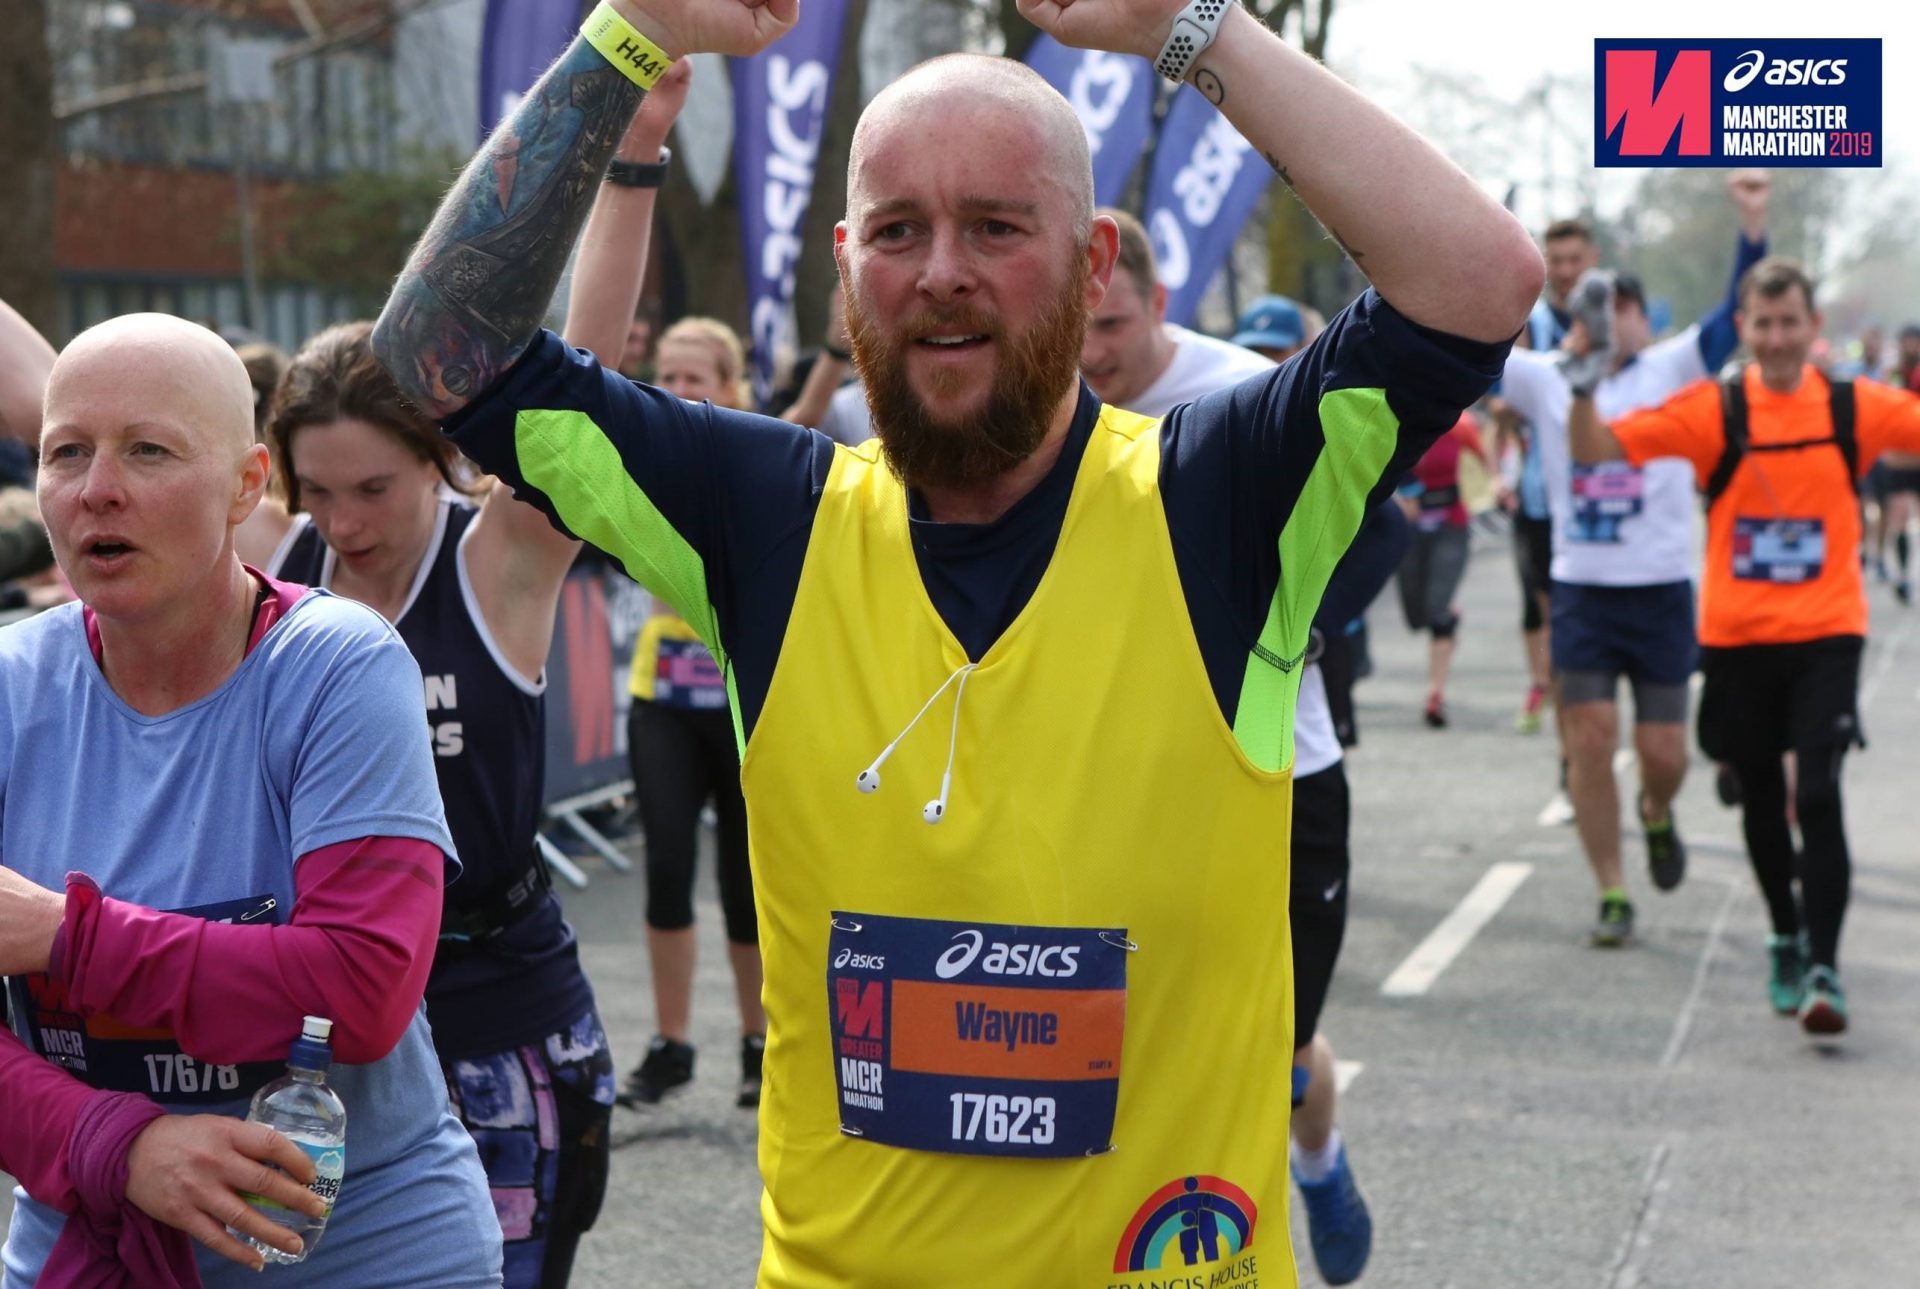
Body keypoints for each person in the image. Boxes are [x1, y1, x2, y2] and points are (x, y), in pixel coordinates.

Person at [370, 0, 1542, 1279]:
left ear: (1096, 263)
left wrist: (1189, 24)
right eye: (897, 230)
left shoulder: (1224, 499)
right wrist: (631, 34)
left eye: (995, 225)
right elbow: (438, 352)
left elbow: (1478, 281)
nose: (941, 271)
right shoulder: (764, 517)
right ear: (844, 262)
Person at [0, 312, 498, 1285]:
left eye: (149, 450)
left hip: (358, 1248)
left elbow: (359, 988)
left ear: (248, 484)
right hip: (90, 1229)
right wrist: (120, 1141)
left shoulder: (338, 665)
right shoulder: (13, 684)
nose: (99, 487)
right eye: (67, 452)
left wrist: (66, 939)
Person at [1570, 258, 1920, 1034]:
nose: (1777, 338)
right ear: (1747, 327)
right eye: (1762, 324)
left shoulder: (1851, 404)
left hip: (1830, 629)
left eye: (1790, 322)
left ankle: (1825, 965)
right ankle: (1785, 933)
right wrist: (1584, 380)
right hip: (1737, 636)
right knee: (1762, 798)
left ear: (1813, 327)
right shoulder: (1715, 408)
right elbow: (1596, 450)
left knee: (1820, 792)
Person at [1497, 171, 1768, 946]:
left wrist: (1752, 224)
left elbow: (1734, 316)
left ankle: (1656, 811)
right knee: (1586, 736)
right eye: (1595, 309)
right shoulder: (1548, 379)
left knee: (1664, 753)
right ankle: (1612, 890)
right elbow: (1470, 337)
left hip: (1658, 591)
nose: (1611, 321)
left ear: (1643, 319)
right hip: (1582, 589)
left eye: (1622, 308)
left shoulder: (1675, 368)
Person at [614, 317, 766, 1109]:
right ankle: (672, 1044)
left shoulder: (750, 454)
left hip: (739, 703)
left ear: (729, 388)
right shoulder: (643, 461)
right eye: (664, 375)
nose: (673, 390)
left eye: (692, 378)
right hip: (663, 698)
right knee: (666, 866)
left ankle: (757, 1040)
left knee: (746, 884)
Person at [1079, 208, 1274, 411]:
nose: (1091, 354)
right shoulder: (1051, 408)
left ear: (1158, 303)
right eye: (1075, 328)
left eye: (1111, 324)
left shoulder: (1247, 397)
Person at [1395, 410, 1489, 727]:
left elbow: (1485, 457)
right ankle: (1446, 611)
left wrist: (1498, 483)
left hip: (1452, 524)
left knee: (1437, 610)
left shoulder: (1461, 424)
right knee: (1416, 615)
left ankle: (1435, 694)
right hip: (1410, 529)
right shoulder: (1401, 416)